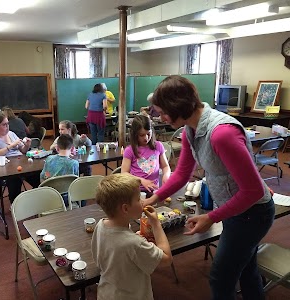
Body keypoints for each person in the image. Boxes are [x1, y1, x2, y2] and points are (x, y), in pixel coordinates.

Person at [143, 75, 275, 300]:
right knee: (246, 271)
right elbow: (182, 174)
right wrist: (152, 199)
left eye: (163, 111)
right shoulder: (190, 130)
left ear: (178, 105)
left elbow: (253, 191)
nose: (161, 118)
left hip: (252, 215)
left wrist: (212, 217)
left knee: (220, 278)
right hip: (236, 210)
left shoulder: (222, 134)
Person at [91, 173, 172, 300]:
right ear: (125, 209)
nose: (143, 202)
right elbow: (167, 259)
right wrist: (156, 223)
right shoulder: (134, 243)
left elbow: (113, 248)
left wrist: (133, 237)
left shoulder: (100, 225)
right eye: (139, 199)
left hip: (107, 293)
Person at [0, 112, 40, 204]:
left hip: (20, 163)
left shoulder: (11, 134)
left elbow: (23, 150)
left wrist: (27, 145)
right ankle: (15, 204)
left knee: (37, 174)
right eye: (4, 124)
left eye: (7, 123)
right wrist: (10, 146)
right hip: (4, 167)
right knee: (14, 178)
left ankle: (38, 198)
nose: (7, 126)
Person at [121, 115, 171, 194]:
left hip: (154, 190)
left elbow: (165, 166)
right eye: (142, 135)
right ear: (135, 135)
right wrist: (141, 181)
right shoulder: (130, 150)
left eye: (148, 134)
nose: (146, 138)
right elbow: (124, 174)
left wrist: (166, 175)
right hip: (136, 191)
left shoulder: (158, 146)